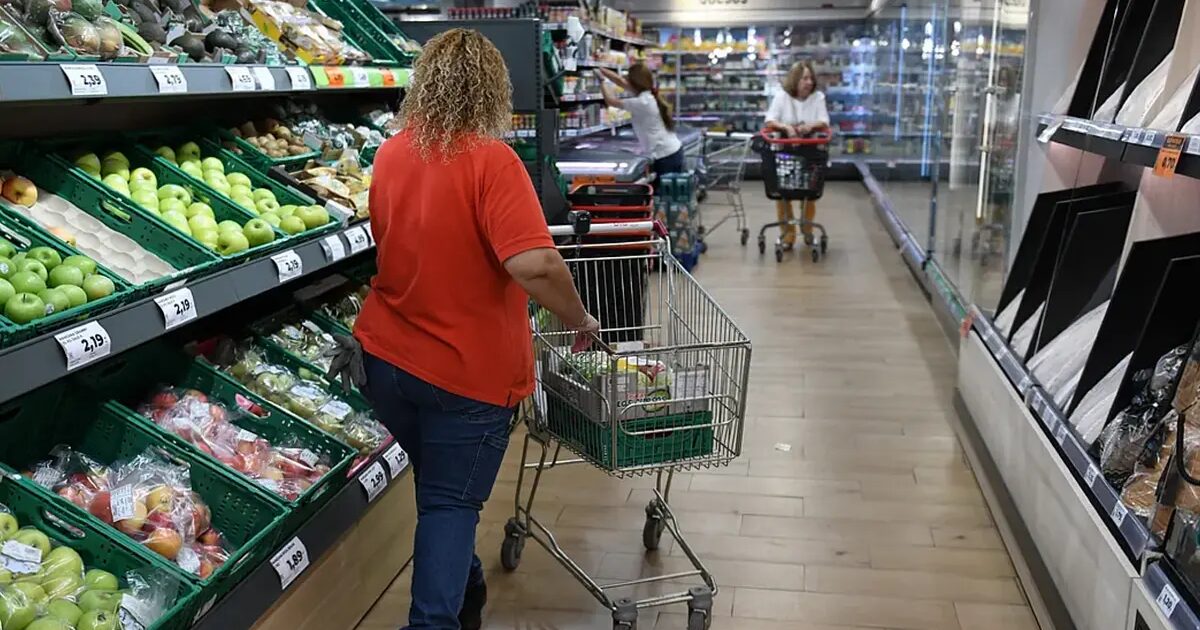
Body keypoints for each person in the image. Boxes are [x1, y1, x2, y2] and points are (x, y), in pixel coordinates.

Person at [353, 28, 600, 630]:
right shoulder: (492, 161)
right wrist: (580, 317)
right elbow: (534, 264)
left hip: (387, 363)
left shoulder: (391, 153)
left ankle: (466, 599)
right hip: (466, 374)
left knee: (440, 491)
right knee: (450, 503)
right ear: (492, 90)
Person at [764, 61, 830, 248]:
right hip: (785, 153)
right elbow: (770, 120)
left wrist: (810, 126)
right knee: (783, 193)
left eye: (810, 78)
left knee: (809, 192)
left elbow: (824, 121)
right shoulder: (782, 97)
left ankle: (807, 228)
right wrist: (786, 127)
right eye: (804, 78)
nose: (809, 82)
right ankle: (788, 234)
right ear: (795, 80)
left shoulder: (818, 98)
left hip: (811, 152)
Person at [596, 63, 684, 181]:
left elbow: (611, 101)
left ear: (634, 83)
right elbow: (620, 81)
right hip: (671, 151)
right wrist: (601, 69)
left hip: (665, 156)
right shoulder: (647, 94)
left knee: (663, 190)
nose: (626, 80)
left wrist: (602, 80)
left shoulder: (642, 102)